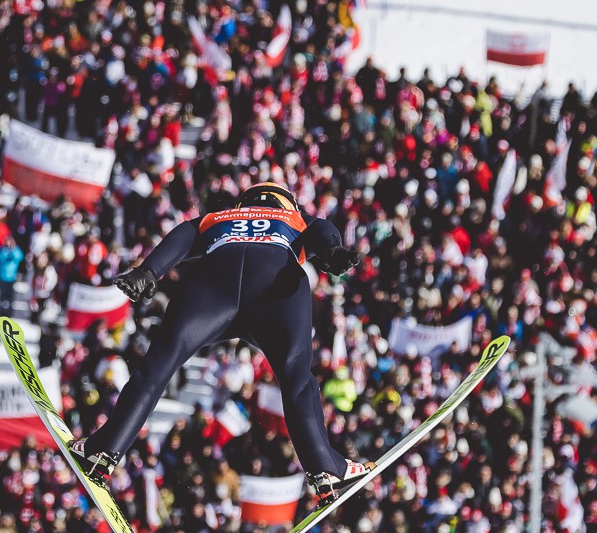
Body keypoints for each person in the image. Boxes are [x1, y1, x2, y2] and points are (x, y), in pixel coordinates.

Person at [70, 183, 374, 505]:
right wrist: (332, 252)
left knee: (157, 366)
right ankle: (325, 467)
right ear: (288, 203)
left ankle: (104, 450)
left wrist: (148, 271)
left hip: (213, 285)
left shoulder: (220, 216)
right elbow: (322, 230)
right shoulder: (294, 218)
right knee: (297, 379)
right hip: (274, 286)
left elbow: (183, 235)